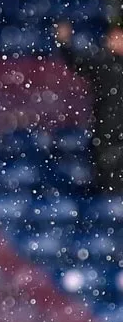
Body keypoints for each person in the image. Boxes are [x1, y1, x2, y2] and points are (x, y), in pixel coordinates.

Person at [56, 21, 123, 193]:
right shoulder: (102, 63)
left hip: (110, 132)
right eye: (113, 37)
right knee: (107, 182)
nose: (115, 41)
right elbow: (77, 62)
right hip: (106, 133)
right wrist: (64, 43)